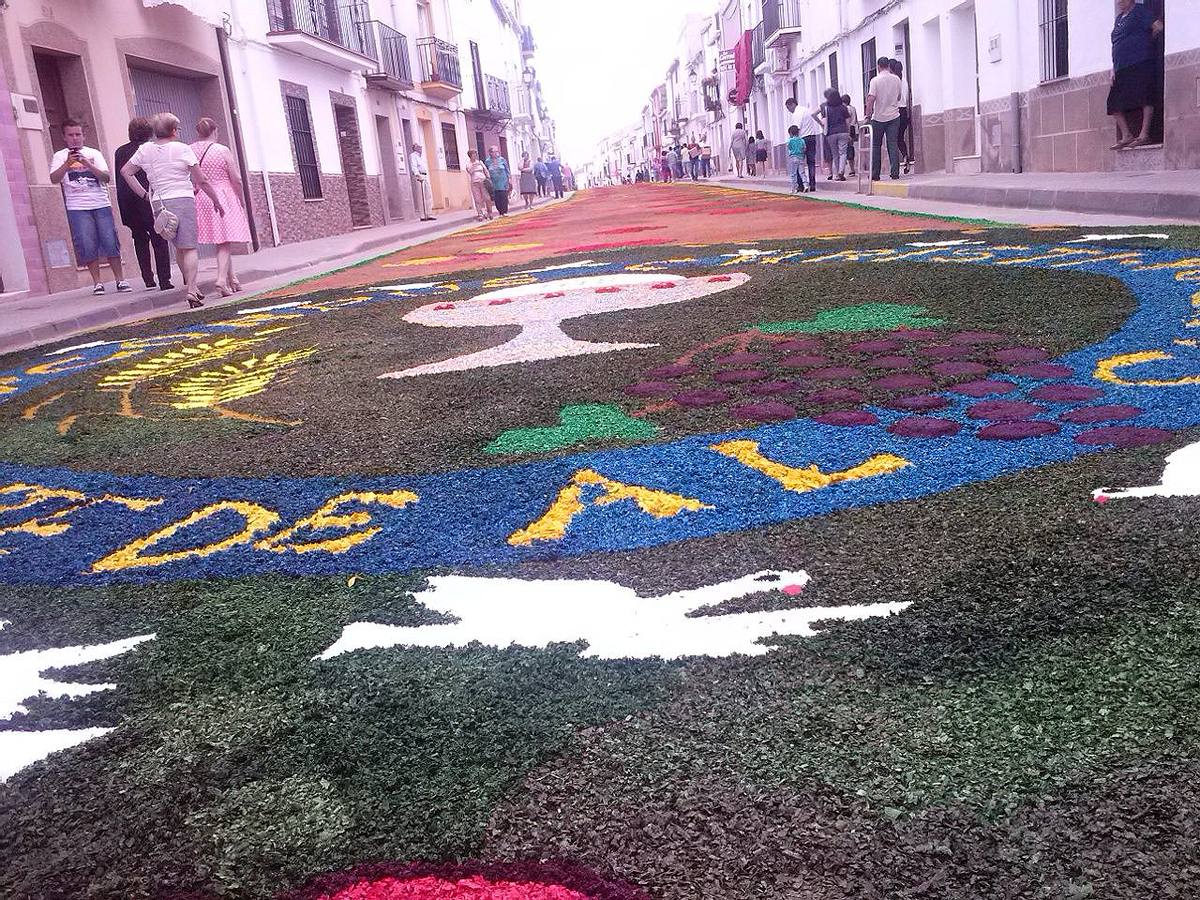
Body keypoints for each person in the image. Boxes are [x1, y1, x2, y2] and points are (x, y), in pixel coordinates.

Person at [120, 112, 223, 308]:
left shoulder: (145, 149)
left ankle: (192, 286)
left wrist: (144, 194)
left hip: (159, 203)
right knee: (190, 247)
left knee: (178, 246)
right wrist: (216, 200)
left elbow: (126, 171)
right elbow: (201, 179)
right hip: (182, 199)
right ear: (174, 131)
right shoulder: (182, 149)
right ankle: (191, 289)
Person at [50, 118, 130, 295]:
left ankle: (120, 280)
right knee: (87, 244)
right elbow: (54, 179)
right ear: (64, 137)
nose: (75, 138)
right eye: (71, 135)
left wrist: (87, 163)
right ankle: (97, 283)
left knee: (110, 241)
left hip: (100, 204)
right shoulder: (59, 156)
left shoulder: (94, 153)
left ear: (83, 136)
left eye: (78, 134)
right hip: (77, 207)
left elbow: (106, 178)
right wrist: (67, 164)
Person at [189, 118, 251, 297]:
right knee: (224, 241)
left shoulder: (191, 149)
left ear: (198, 132)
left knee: (221, 239)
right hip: (222, 195)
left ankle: (233, 279)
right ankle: (221, 281)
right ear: (215, 131)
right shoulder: (222, 150)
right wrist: (240, 198)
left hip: (202, 195)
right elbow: (236, 178)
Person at [113, 116, 172, 292]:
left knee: (139, 238)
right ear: (149, 132)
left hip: (128, 200)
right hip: (147, 197)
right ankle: (164, 279)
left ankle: (148, 278)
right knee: (159, 237)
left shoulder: (120, 151)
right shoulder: (151, 149)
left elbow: (120, 177)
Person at [1108, 0, 1165, 149]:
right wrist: (1113, 68)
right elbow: (1116, 43)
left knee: (1145, 96)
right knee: (1113, 103)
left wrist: (1144, 43)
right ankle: (1126, 135)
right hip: (1121, 66)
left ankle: (1144, 135)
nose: (1119, 1)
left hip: (1140, 61)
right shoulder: (1119, 19)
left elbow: (1158, 27)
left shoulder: (1139, 11)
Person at [865, 57, 903, 181]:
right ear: (888, 66)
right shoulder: (897, 79)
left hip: (879, 117)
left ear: (878, 66)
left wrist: (868, 115)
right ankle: (895, 172)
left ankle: (875, 174)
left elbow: (871, 99)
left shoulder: (875, 80)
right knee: (892, 143)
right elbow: (898, 97)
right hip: (894, 116)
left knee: (876, 145)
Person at [784, 98, 822, 192]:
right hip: (812, 137)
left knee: (797, 162)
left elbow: (796, 128)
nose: (789, 111)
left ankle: (800, 185)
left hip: (802, 139)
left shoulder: (797, 113)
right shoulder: (806, 109)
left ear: (792, 104)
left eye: (789, 108)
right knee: (811, 162)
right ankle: (812, 185)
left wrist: (792, 140)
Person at [820, 92, 851, 181]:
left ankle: (836, 174)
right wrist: (848, 132)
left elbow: (824, 122)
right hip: (843, 131)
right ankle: (841, 171)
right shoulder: (843, 108)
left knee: (835, 154)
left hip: (831, 133)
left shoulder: (826, 109)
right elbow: (847, 121)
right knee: (843, 152)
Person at [889, 59, 913, 174]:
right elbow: (907, 97)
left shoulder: (892, 81)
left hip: (894, 111)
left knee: (893, 140)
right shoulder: (904, 81)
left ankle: (894, 167)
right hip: (904, 111)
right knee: (900, 138)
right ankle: (905, 156)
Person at [466, 149, 494, 220]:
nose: (475, 156)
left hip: (483, 181)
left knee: (487, 198)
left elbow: (485, 170)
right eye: (473, 154)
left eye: (475, 154)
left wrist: (488, 177)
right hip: (475, 183)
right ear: (470, 156)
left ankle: (489, 212)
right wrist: (474, 165)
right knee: (477, 199)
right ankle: (480, 214)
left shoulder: (480, 162)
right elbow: (470, 171)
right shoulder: (468, 164)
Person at [409, 142, 435, 221]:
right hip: (419, 175)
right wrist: (417, 175)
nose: (421, 148)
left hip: (425, 175)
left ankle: (429, 213)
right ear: (415, 148)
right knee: (421, 196)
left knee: (428, 195)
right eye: (418, 147)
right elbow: (414, 166)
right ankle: (423, 216)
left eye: (421, 147)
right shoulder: (413, 156)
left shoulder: (422, 157)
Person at [485, 146, 511, 215]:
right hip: (494, 181)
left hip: (503, 180)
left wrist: (509, 179)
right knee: (497, 197)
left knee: (503, 195)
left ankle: (504, 211)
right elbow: (486, 170)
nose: (496, 153)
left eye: (497, 151)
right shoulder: (487, 161)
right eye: (494, 151)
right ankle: (500, 211)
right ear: (490, 153)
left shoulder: (502, 160)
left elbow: (507, 169)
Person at [842, 94, 860, 177]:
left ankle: (852, 169)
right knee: (851, 148)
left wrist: (847, 132)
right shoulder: (853, 108)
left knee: (848, 149)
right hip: (854, 128)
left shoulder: (847, 109)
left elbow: (847, 121)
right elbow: (856, 120)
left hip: (849, 128)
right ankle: (851, 169)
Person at [786, 124, 807, 193]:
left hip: (793, 157)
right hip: (801, 157)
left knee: (793, 173)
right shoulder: (801, 140)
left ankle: (793, 188)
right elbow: (804, 148)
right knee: (802, 172)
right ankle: (806, 185)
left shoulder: (790, 140)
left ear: (791, 133)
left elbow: (789, 147)